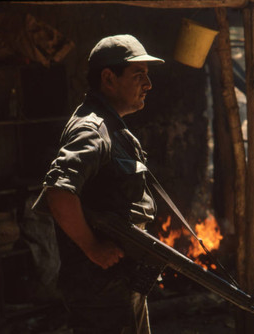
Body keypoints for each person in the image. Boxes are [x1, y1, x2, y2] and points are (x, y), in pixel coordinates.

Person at [32, 34, 164, 334]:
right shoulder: (93, 129)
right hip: (102, 294)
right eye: (138, 75)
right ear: (108, 78)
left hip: (118, 286)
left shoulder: (110, 125)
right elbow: (58, 191)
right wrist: (92, 247)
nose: (148, 85)